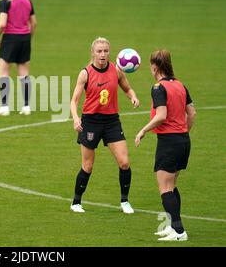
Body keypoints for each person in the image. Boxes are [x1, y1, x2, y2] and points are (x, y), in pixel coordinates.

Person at [69, 37, 140, 214]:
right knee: (88, 166)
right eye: (99, 51)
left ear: (110, 52)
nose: (103, 54)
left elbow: (127, 88)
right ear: (93, 53)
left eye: (106, 51)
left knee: (124, 163)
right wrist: (76, 118)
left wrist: (133, 96)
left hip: (111, 122)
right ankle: (76, 202)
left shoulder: (117, 70)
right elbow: (74, 100)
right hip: (91, 122)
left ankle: (125, 201)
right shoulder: (85, 73)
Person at [135, 49, 196, 241]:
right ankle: (172, 226)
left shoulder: (158, 88)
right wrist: (183, 131)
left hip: (169, 142)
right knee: (172, 184)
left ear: (154, 67)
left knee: (165, 188)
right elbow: (192, 113)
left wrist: (143, 130)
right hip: (183, 141)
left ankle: (179, 231)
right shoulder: (180, 85)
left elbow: (161, 116)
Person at [0, 0, 37, 116]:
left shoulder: (5, 0)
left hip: (10, 38)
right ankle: (26, 106)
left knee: (4, 71)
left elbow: (2, 23)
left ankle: (4, 106)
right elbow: (34, 23)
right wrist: (29, 36)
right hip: (24, 38)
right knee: (24, 73)